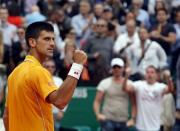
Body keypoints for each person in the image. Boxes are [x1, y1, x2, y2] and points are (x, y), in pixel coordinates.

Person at [3, 21, 87, 131]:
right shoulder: (38, 71)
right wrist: (77, 66)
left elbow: (6, 116)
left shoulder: (14, 74)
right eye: (47, 39)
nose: (52, 43)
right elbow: (60, 101)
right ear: (32, 42)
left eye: (53, 39)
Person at [123, 65, 174, 131]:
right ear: (145, 74)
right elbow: (125, 88)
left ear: (156, 75)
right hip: (140, 126)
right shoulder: (139, 85)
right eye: (147, 72)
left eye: (152, 72)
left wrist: (168, 78)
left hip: (155, 126)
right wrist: (126, 75)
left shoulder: (160, 87)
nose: (149, 74)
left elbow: (170, 90)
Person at [93, 58, 136, 131]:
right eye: (114, 67)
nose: (117, 69)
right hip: (107, 120)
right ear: (111, 69)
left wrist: (133, 119)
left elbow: (133, 103)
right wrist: (98, 114)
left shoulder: (129, 84)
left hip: (123, 121)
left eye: (119, 67)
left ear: (123, 68)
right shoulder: (104, 83)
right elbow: (97, 101)